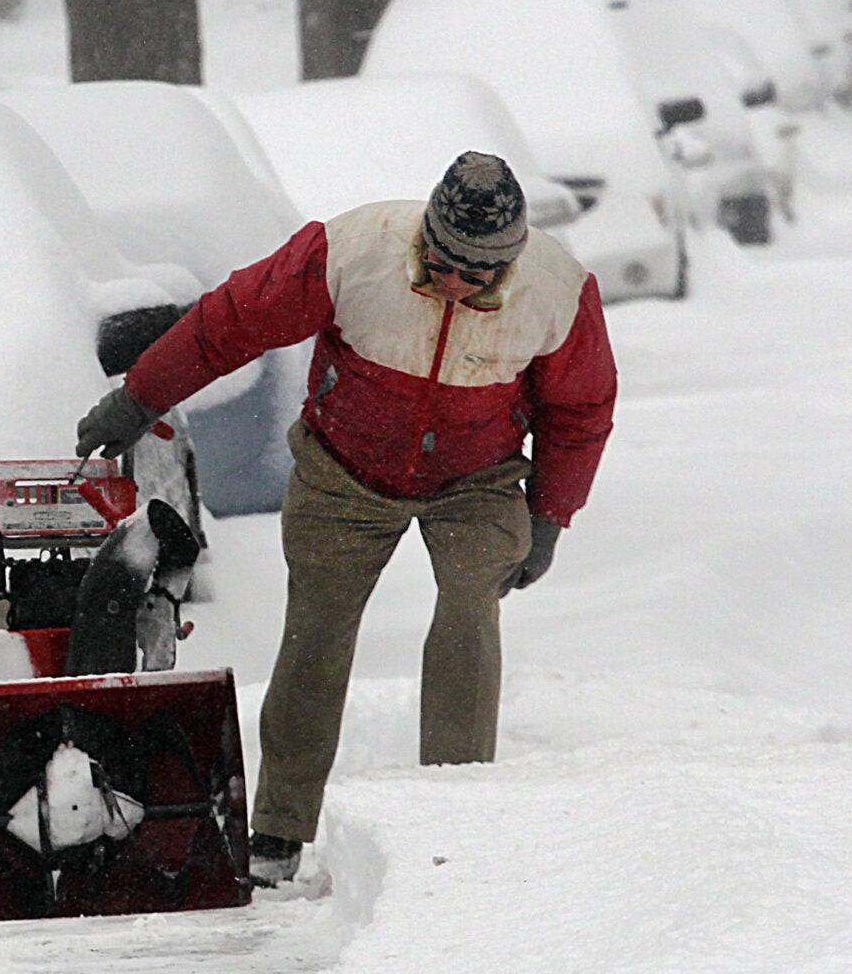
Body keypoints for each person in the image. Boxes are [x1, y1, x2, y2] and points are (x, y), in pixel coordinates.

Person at [73, 151, 617, 886]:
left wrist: (550, 513)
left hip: (477, 477)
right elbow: (230, 322)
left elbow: (580, 407)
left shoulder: (557, 291)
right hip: (345, 467)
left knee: (470, 603)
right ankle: (279, 829)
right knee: (318, 630)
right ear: (425, 235)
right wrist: (141, 397)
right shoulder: (354, 252)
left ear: (509, 263)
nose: (454, 281)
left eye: (476, 274)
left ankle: (455, 813)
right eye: (442, 261)